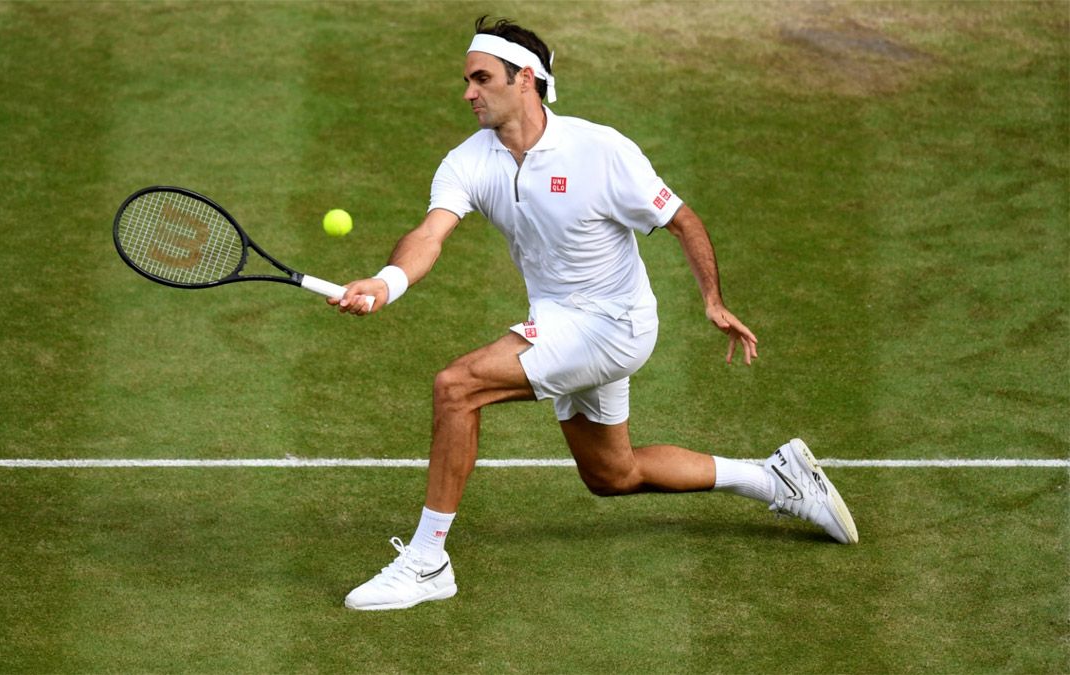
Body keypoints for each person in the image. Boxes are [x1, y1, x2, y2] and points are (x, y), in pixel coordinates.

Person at [331, 16, 858, 611]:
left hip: (613, 326)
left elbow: (681, 218)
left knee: (457, 388)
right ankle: (775, 477)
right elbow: (431, 232)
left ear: (524, 79)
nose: (467, 93)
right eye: (466, 80)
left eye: (480, 79)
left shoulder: (600, 150)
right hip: (560, 321)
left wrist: (712, 299)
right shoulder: (468, 161)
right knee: (613, 475)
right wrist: (387, 281)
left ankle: (427, 563)